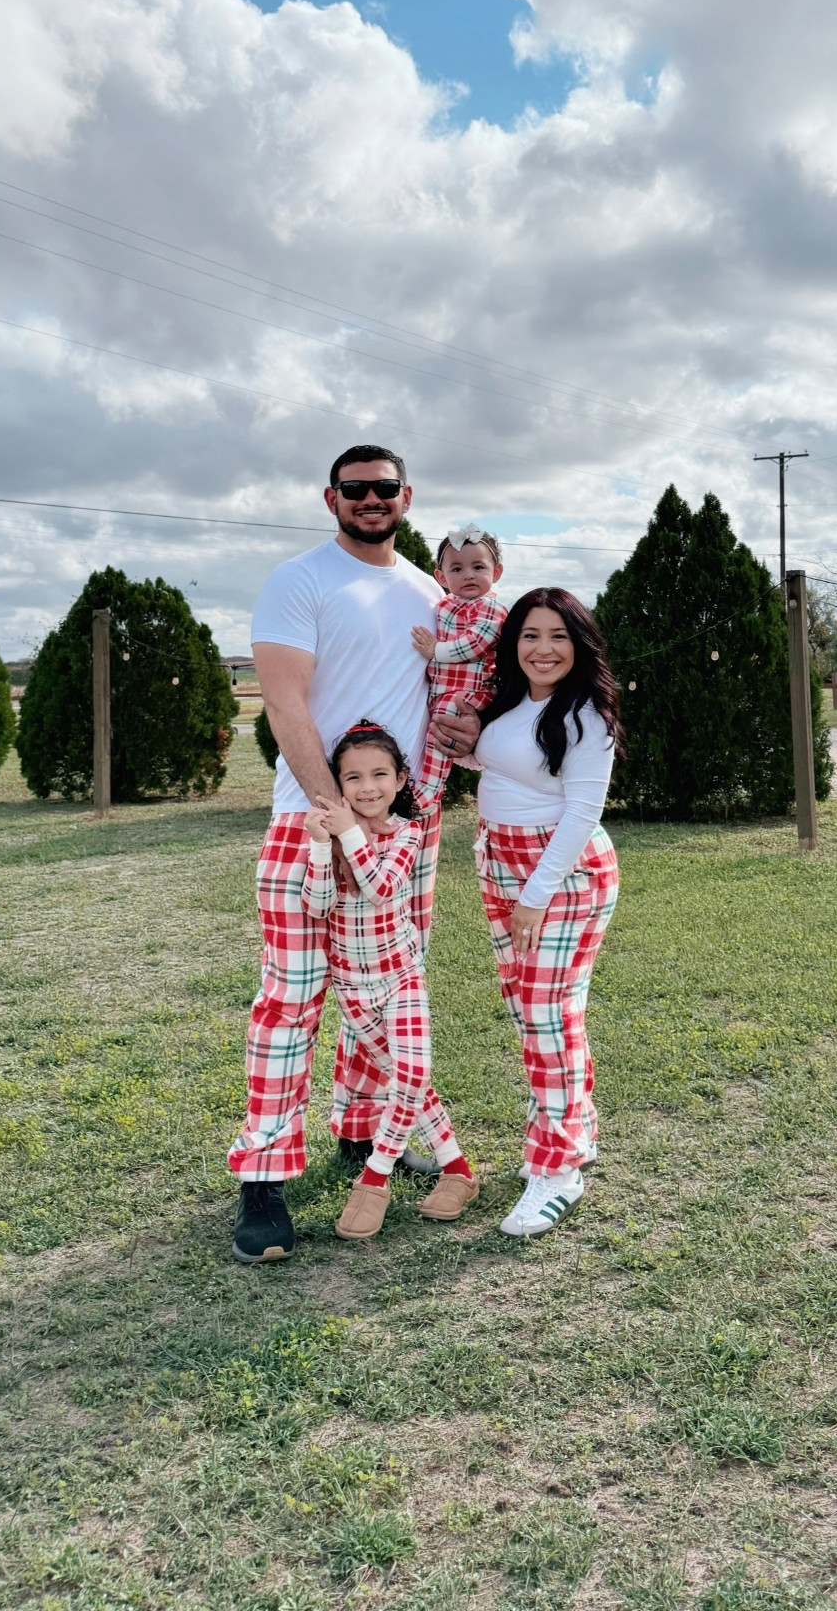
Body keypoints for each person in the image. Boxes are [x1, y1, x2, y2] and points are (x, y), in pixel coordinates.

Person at [229, 443, 459, 1264]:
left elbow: (442, 700)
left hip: (402, 834)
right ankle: (262, 1179)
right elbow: (285, 705)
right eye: (356, 489)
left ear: (405, 496)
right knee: (291, 1002)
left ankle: (361, 1133)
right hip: (311, 823)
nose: (371, 499)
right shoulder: (300, 580)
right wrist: (335, 813)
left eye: (384, 489)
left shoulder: (431, 592)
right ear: (332, 497)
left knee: (383, 987)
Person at [229, 721, 478, 1248]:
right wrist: (324, 847)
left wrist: (347, 835)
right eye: (354, 778)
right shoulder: (337, 841)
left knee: (412, 1074)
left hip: (400, 976)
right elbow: (318, 904)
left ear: (401, 777)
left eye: (380, 774)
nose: (368, 788)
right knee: (404, 1076)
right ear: (337, 785)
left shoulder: (407, 833)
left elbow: (383, 888)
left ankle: (375, 1179)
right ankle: (457, 1167)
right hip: (354, 987)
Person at [467, 589, 622, 1239]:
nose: (543, 648)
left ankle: (557, 1168)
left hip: (562, 874)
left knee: (544, 1013)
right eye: (530, 635)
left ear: (577, 644)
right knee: (536, 1014)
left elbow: (581, 813)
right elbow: (506, 766)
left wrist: (533, 897)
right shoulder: (510, 703)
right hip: (499, 863)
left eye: (557, 636)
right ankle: (574, 1131)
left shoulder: (586, 715)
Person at [410, 523, 506, 807]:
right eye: (457, 570)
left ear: (496, 572)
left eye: (478, 567)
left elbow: (476, 643)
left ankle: (429, 788)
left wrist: (435, 650)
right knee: (430, 729)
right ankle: (418, 779)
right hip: (443, 689)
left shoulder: (490, 608)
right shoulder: (444, 606)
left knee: (443, 723)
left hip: (470, 690)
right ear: (440, 577)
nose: (468, 576)